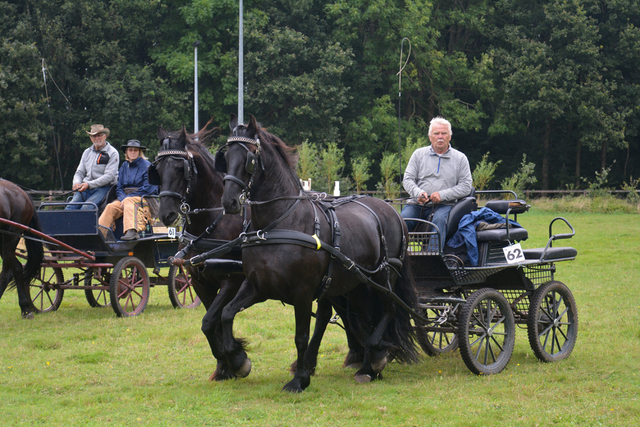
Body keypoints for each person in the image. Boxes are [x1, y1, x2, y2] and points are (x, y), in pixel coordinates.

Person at [401, 116, 472, 250]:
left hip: (445, 205)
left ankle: (432, 260)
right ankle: (398, 259)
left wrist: (442, 195)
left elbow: (466, 186)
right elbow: (408, 179)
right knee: (401, 221)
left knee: (439, 221)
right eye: (436, 133)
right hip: (417, 204)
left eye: (444, 133)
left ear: (449, 136)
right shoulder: (418, 154)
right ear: (430, 136)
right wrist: (418, 193)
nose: (440, 137)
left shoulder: (460, 158)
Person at [98, 140, 158, 241]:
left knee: (129, 201)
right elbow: (119, 187)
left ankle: (132, 231)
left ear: (139, 152)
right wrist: (122, 199)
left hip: (144, 198)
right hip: (125, 197)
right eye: (130, 150)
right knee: (110, 207)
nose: (133, 152)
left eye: (135, 150)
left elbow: (149, 188)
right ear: (126, 152)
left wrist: (128, 198)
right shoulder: (124, 166)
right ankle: (100, 234)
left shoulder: (147, 166)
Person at [66, 124, 119, 210]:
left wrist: (89, 184)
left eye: (99, 135)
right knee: (70, 207)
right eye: (94, 136)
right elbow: (79, 172)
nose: (97, 138)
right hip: (85, 188)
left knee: (86, 208)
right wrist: (76, 183)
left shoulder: (113, 153)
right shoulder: (86, 152)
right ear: (91, 138)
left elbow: (109, 176)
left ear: (105, 136)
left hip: (104, 188)